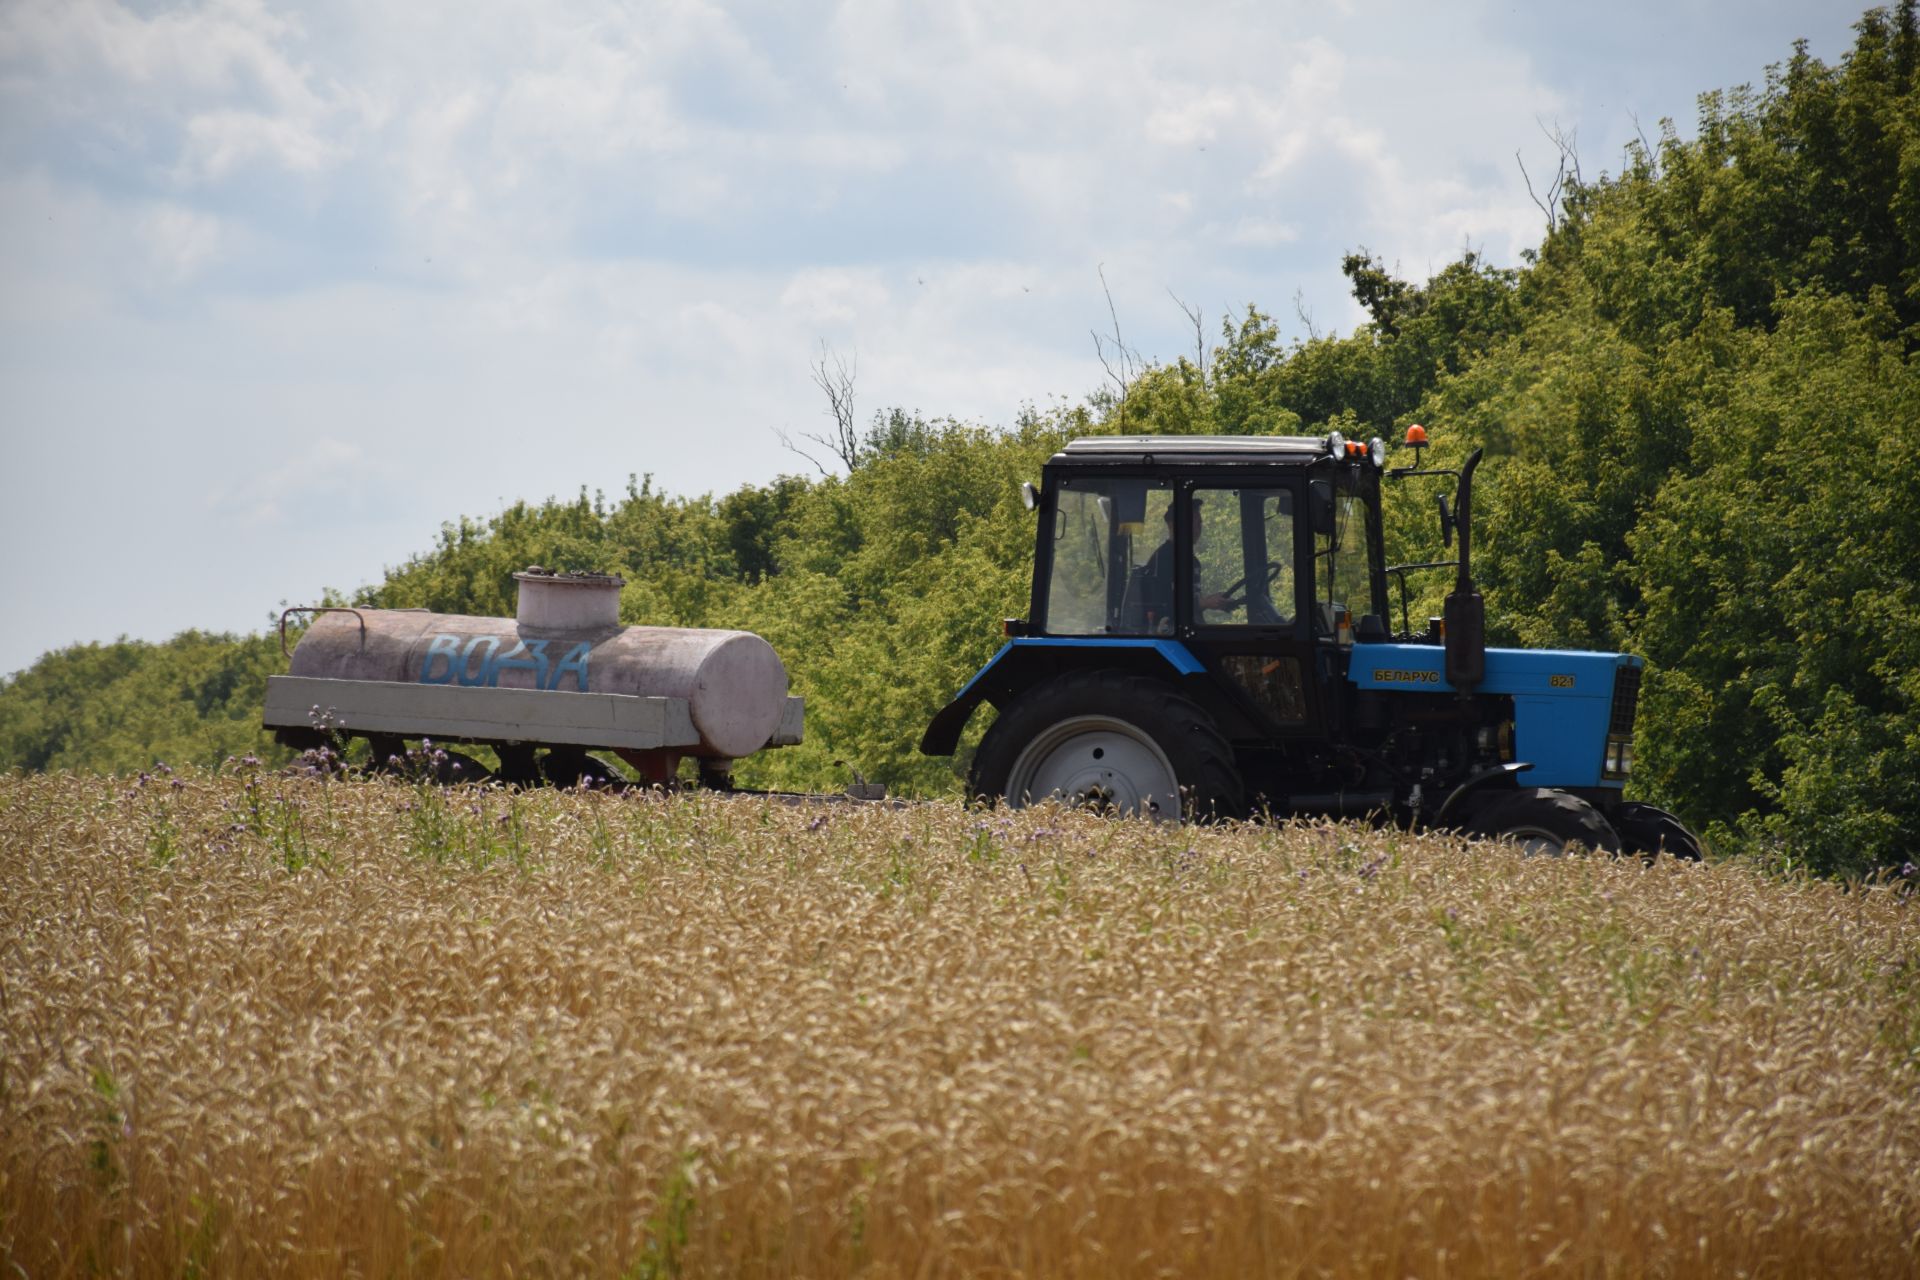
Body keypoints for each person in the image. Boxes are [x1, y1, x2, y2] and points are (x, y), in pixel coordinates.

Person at [1140, 501, 1232, 629]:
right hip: (1172, 629)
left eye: (1200, 522)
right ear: (1173, 525)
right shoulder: (1163, 559)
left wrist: (1214, 600)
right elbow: (1165, 604)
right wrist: (1205, 603)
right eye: (1194, 522)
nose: (1199, 527)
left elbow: (1191, 598)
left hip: (1193, 627)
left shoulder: (1192, 561)